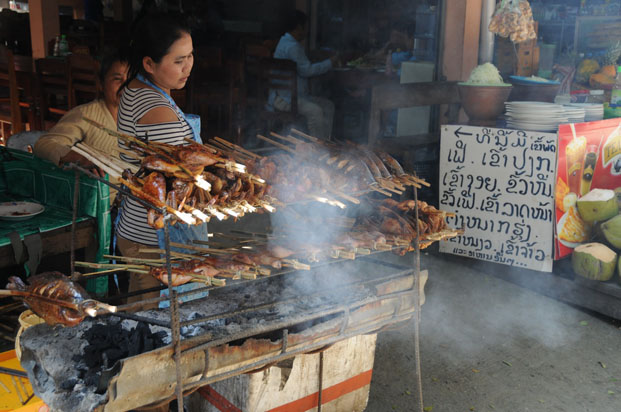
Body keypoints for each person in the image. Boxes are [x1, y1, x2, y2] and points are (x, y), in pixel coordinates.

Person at [115, 13, 207, 309]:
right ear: (149, 64)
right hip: (156, 239)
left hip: (133, 228)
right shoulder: (157, 109)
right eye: (178, 61)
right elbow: (180, 180)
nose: (188, 67)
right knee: (158, 324)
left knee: (141, 315)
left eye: (190, 56)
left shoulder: (135, 88)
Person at [33, 48, 129, 176]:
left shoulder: (143, 117)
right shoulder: (86, 115)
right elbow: (43, 145)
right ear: (100, 84)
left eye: (131, 80)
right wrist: (78, 157)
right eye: (117, 79)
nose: (126, 86)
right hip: (101, 194)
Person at [271, 10, 337, 140]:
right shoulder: (293, 47)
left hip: (286, 97)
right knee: (315, 111)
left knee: (328, 105)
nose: (307, 31)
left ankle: (325, 143)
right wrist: (330, 62)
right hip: (287, 100)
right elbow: (306, 71)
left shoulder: (283, 42)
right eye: (306, 27)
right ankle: (318, 148)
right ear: (299, 27)